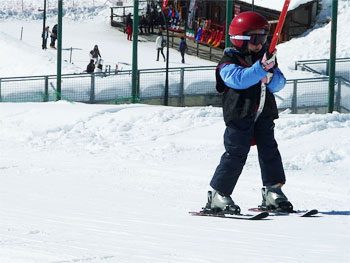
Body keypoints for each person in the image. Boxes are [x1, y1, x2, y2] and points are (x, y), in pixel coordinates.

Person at [207, 11, 293, 214]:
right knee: (236, 153)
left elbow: (279, 84)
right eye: (255, 38)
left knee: (270, 151)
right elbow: (240, 79)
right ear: (240, 38)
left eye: (263, 38)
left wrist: (269, 76)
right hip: (239, 115)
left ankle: (273, 190)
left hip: (264, 114)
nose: (259, 43)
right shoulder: (228, 62)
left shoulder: (266, 58)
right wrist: (261, 69)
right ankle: (220, 194)